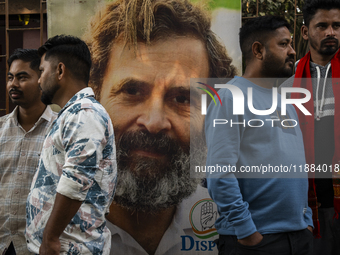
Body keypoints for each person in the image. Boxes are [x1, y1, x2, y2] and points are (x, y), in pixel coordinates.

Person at [83, 0, 237, 254]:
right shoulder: (52, 232)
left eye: (182, 99)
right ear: (93, 96)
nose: (154, 123)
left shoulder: (226, 228)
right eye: (131, 91)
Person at [205, 16, 313, 255]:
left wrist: (306, 221)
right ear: (258, 50)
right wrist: (247, 232)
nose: (293, 52)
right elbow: (219, 173)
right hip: (257, 242)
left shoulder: (287, 103)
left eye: (292, 44)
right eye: (284, 44)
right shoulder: (229, 98)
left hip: (298, 236)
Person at [25, 35, 117, 255]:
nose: (38, 80)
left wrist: (50, 237)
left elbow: (76, 178)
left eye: (42, 70)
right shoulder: (72, 114)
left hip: (69, 248)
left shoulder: (84, 113)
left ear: (60, 71)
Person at [279, 0, 340, 254]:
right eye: (322, 26)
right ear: (305, 32)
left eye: (337, 25)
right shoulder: (288, 86)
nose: (331, 32)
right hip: (308, 203)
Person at [0, 49, 57, 255]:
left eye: (22, 77)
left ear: (41, 79)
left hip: (39, 246)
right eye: (10, 77)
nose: (13, 84)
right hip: (3, 242)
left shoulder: (61, 130)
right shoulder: (0, 129)